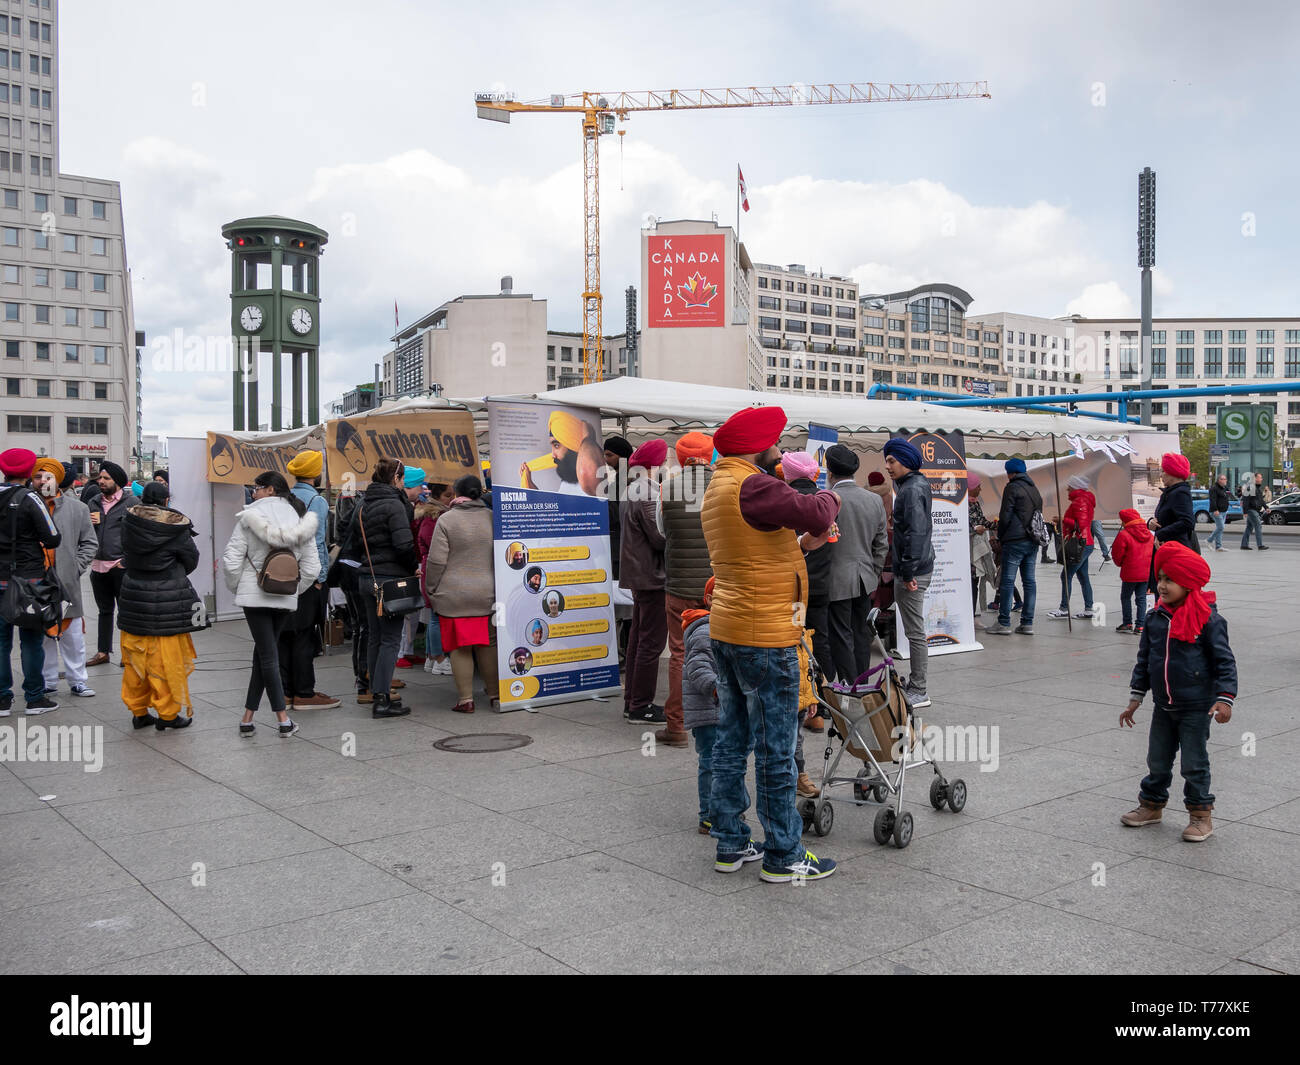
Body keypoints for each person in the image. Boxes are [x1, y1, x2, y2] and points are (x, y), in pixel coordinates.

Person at [702, 404, 840, 884]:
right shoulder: (755, 484)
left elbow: (754, 553)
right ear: (760, 445)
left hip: (731, 629)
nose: (781, 451)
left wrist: (802, 547)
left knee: (730, 740)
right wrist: (829, 493)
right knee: (777, 748)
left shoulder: (720, 486)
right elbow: (817, 510)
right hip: (766, 636)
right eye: (777, 442)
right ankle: (784, 853)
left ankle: (731, 843)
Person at [1119, 543, 1236, 842]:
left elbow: (1224, 661)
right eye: (1160, 578)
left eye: (1169, 580)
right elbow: (1145, 660)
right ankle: (1152, 805)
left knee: (1194, 763)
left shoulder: (1208, 619)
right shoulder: (1155, 617)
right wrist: (1135, 698)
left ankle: (1200, 815)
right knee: (1157, 759)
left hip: (1197, 706)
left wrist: (1224, 699)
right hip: (1163, 705)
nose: (1161, 585)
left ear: (1188, 583)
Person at [222, 471, 322, 737]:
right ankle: (248, 717)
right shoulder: (300, 519)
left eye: (256, 487)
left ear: (269, 490)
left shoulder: (248, 518)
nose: (253, 492)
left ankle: (283, 720)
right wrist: (293, 589)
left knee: (267, 654)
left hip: (253, 596)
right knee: (264, 654)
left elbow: (231, 560)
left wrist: (239, 586)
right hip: (285, 595)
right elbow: (312, 567)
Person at [118, 485, 204, 730]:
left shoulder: (129, 522)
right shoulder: (175, 528)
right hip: (167, 600)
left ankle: (139, 711)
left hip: (134, 595)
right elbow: (191, 560)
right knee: (166, 661)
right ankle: (167, 714)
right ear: (166, 499)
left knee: (135, 659)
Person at [655, 431, 714, 748]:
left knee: (679, 653)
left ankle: (676, 726)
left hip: (678, 584)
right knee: (720, 650)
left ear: (680, 456)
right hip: (717, 587)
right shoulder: (725, 485)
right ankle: (719, 716)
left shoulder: (666, 487)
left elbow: (662, 530)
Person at [348, 458, 418, 718]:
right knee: (390, 639)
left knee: (376, 637)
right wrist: (414, 566)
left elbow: (352, 539)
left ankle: (376, 692)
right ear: (397, 479)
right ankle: (382, 699)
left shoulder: (362, 504)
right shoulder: (394, 505)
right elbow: (403, 545)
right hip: (389, 580)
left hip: (367, 577)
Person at [424, 474, 498, 713]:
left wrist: (432, 588)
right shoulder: (493, 517)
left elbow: (436, 562)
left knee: (460, 646)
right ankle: (495, 695)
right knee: (488, 644)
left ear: (456, 494)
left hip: (453, 594)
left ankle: (466, 699)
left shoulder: (447, 520)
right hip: (488, 591)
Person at [0, 448, 62, 715]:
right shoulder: (31, 499)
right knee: (31, 641)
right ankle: (34, 698)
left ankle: (2, 699)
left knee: (1, 642)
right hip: (29, 581)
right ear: (28, 473)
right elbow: (52, 537)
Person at [277, 451, 339, 711]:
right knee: (305, 634)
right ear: (315, 474)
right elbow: (318, 543)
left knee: (284, 634)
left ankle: (286, 691)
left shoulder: (282, 498)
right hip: (307, 576)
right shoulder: (316, 500)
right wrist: (320, 578)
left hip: (282, 575)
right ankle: (304, 691)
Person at [32, 459, 98, 700]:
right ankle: (48, 681)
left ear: (57, 480)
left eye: (48, 476)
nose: (43, 481)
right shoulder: (26, 505)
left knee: (72, 636)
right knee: (43, 636)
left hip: (66, 583)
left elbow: (90, 543)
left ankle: (78, 680)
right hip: (35, 583)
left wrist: (76, 566)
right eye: (38, 476)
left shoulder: (77, 508)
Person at [824, 443, 887, 688]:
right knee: (861, 634)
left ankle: (850, 687)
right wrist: (874, 572)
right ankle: (863, 683)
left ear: (830, 473)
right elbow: (881, 544)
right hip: (865, 578)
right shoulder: (874, 500)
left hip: (836, 578)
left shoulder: (828, 499)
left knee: (841, 636)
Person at [783, 451, 834, 734]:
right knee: (821, 641)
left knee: (796, 640)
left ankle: (800, 699)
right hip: (822, 585)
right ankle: (824, 701)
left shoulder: (782, 502)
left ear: (788, 474)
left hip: (794, 588)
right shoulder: (824, 501)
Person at [883, 437, 934, 709]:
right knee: (914, 630)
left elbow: (915, 532)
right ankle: (917, 684)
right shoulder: (915, 485)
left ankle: (919, 688)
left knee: (915, 632)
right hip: (915, 567)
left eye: (892, 460)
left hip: (912, 570)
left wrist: (909, 571)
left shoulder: (911, 489)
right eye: (887, 461)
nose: (888, 466)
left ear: (905, 459)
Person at [620, 439, 668, 725]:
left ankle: (632, 701)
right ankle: (641, 705)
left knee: (639, 640)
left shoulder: (630, 489)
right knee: (650, 643)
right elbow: (659, 537)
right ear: (657, 464)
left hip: (640, 574)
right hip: (652, 575)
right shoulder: (647, 492)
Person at [986, 458, 1042, 637]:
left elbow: (1006, 515)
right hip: (1032, 540)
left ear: (1010, 472)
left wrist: (1001, 536)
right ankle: (1027, 623)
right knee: (1029, 581)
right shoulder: (1034, 489)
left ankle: (1003, 623)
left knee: (1007, 581)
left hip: (1015, 540)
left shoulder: (1012, 487)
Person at [681, 578, 719, 833]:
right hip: (708, 710)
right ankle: (708, 814)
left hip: (716, 708)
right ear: (708, 601)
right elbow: (698, 667)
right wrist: (717, 688)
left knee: (718, 762)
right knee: (711, 762)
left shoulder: (718, 627)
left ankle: (717, 810)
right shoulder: (706, 630)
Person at [85, 460, 131, 666]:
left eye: (106, 478)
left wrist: (127, 561)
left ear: (118, 482)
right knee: (104, 611)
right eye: (100, 478)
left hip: (119, 566)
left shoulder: (132, 503)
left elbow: (139, 537)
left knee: (125, 611)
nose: (101, 481)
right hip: (98, 566)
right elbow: (84, 533)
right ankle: (103, 652)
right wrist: (89, 521)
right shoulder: (93, 502)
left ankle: (128, 653)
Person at [415, 482, 455, 675]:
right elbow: (435, 547)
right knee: (437, 617)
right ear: (438, 496)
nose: (451, 498)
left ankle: (432, 657)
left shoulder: (429, 514)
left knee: (433, 616)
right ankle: (438, 658)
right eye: (448, 495)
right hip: (435, 569)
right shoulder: (435, 517)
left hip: (429, 568)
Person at [1147, 453, 1200, 595]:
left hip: (1175, 552)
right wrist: (1150, 523)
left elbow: (1188, 522)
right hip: (1166, 550)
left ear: (1173, 473)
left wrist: (1161, 533)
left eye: (1164, 471)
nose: (1161, 474)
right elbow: (1163, 518)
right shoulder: (1170, 493)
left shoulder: (1180, 493)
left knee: (1171, 595)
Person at [395, 464, 430, 671]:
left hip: (414, 562)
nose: (422, 489)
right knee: (406, 610)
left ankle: (406, 650)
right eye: (419, 485)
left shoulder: (414, 505)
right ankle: (401, 651)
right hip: (409, 563)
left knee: (414, 609)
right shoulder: (405, 508)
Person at [519, 410, 603, 495]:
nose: (552, 455)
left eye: (556, 446)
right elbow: (554, 505)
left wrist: (588, 437)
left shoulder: (594, 477)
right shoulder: (569, 479)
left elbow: (587, 472)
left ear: (572, 444)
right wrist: (529, 483)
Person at [1048, 474, 1097, 621]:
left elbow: (1080, 525)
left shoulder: (1079, 501)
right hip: (1086, 543)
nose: (1067, 489)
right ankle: (1088, 609)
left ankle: (1064, 608)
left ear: (1075, 487)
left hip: (1080, 544)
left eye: (1069, 486)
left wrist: (1062, 519)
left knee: (1066, 575)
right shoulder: (1084, 499)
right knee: (1083, 577)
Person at [1110, 508, 1154, 634]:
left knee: (1125, 597)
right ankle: (1140, 625)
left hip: (1130, 572)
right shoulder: (1149, 534)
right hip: (1145, 572)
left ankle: (1127, 623)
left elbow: (1117, 553)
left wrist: (1120, 563)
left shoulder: (1124, 534)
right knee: (1141, 599)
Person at [967, 474, 997, 617]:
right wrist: (974, 530)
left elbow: (982, 520)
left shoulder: (975, 503)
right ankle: (969, 615)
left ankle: (972, 613)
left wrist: (995, 525)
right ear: (971, 487)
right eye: (978, 486)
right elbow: (960, 527)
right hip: (968, 550)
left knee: (976, 581)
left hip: (977, 547)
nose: (980, 489)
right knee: (971, 583)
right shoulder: (962, 504)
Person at [1238, 472, 1268, 551]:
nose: (1261, 479)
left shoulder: (1257, 488)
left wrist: (1266, 507)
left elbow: (1261, 500)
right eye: (1260, 477)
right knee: (1258, 525)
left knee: (1249, 527)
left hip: (1254, 510)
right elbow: (1245, 500)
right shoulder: (1250, 488)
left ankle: (1244, 545)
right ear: (1255, 478)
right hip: (1251, 510)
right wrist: (1245, 512)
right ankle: (1260, 545)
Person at [1205, 472, 1230, 552]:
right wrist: (1215, 509)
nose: (1224, 480)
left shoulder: (1225, 488)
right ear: (1218, 480)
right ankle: (1209, 540)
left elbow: (1225, 498)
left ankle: (1218, 546)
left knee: (1220, 529)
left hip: (1223, 511)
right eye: (1222, 479)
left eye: (1225, 479)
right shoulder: (1214, 488)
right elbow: (1212, 500)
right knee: (1221, 527)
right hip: (1216, 511)